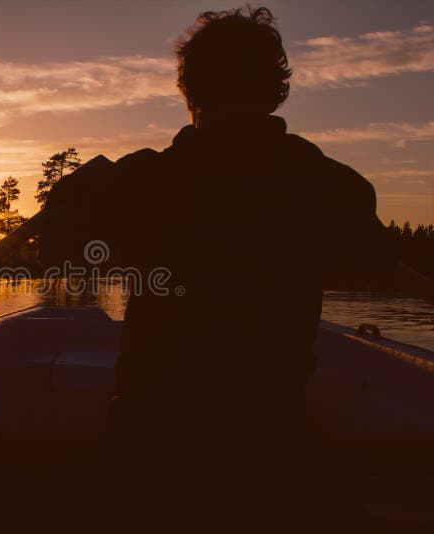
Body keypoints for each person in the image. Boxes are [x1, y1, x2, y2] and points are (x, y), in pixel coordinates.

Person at [39, 6, 434, 528]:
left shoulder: (139, 181)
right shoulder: (330, 185)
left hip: (147, 440)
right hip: (270, 441)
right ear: (275, 90)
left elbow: (55, 252)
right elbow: (386, 267)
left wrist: (72, 192)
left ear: (189, 92)